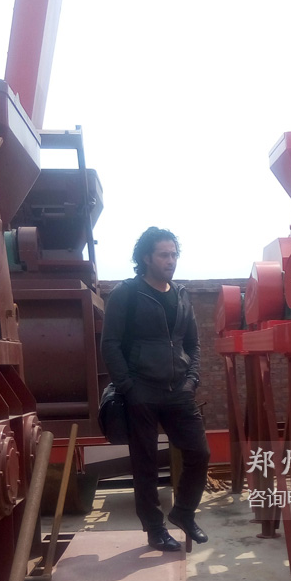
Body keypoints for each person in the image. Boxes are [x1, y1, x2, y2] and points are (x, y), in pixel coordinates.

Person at [101, 226, 210, 551]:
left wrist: (191, 380)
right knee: (145, 464)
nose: (171, 260)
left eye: (174, 254)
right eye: (164, 254)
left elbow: (192, 344)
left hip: (178, 390)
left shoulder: (181, 295)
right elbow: (110, 344)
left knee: (199, 453)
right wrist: (129, 386)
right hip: (142, 390)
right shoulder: (127, 294)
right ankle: (154, 529)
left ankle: (184, 512)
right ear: (146, 257)